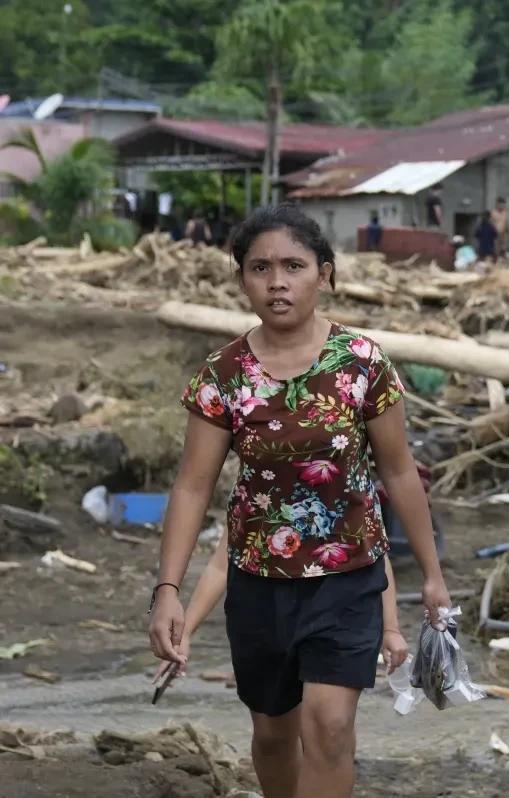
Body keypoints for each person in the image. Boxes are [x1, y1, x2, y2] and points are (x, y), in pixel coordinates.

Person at [147, 204, 450, 798]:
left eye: (293, 265)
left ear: (325, 274)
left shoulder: (362, 363)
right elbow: (192, 485)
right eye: (260, 268)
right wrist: (167, 592)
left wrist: (434, 577)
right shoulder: (223, 375)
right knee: (273, 732)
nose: (277, 281)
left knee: (331, 727)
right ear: (242, 281)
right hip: (258, 580)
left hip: (349, 577)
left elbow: (399, 472)